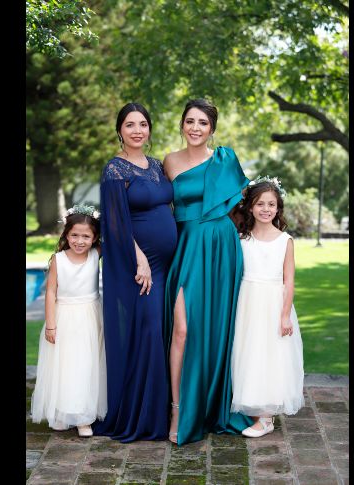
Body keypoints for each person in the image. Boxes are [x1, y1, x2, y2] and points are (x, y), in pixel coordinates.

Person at [162, 98, 253, 445]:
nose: (195, 128)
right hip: (185, 246)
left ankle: (212, 405)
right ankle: (177, 407)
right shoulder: (169, 161)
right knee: (182, 329)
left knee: (215, 328)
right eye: (190, 121)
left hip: (219, 245)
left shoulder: (224, 159)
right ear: (182, 125)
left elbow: (243, 205)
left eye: (202, 122)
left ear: (212, 129)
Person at [93, 103, 178, 442]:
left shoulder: (157, 166)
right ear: (120, 130)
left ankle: (156, 410)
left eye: (143, 124)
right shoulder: (114, 170)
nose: (138, 130)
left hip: (171, 263)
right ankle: (143, 417)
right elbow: (114, 222)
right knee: (148, 331)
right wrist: (139, 258)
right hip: (140, 266)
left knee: (161, 332)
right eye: (130, 125)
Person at [230, 177, 305, 437]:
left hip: (273, 303)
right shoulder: (242, 238)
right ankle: (254, 406)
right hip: (248, 302)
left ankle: (265, 417)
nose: (265, 209)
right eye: (259, 203)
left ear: (278, 208)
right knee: (250, 353)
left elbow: (289, 280)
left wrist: (285, 315)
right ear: (250, 207)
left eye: (271, 204)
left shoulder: (285, 240)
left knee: (271, 356)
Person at [30, 206, 106, 437]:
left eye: (86, 236)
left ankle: (84, 417)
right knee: (65, 366)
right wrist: (51, 325)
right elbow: (51, 292)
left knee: (86, 365)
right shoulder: (58, 260)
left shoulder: (96, 254)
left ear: (94, 238)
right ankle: (63, 413)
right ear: (66, 235)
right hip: (64, 317)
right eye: (74, 235)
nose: (80, 241)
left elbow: (115, 234)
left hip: (90, 316)